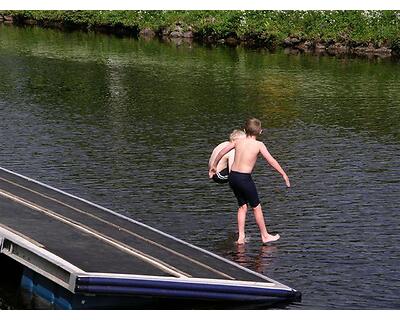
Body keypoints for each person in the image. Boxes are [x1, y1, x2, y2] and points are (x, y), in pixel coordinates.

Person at [209, 118, 290, 245]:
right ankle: (265, 235)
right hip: (244, 179)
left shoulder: (238, 141)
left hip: (233, 178)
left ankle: (241, 237)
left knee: (242, 207)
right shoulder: (259, 145)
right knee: (256, 207)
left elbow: (222, 152)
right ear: (260, 132)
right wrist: (283, 174)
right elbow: (271, 160)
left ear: (245, 130)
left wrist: (214, 165)